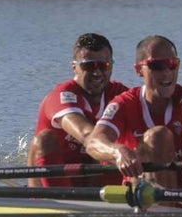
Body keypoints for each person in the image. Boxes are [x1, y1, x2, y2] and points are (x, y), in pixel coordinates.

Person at [85, 35, 182, 188]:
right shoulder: (124, 103)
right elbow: (94, 142)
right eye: (157, 66)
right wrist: (118, 151)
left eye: (172, 64)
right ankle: (162, 208)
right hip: (143, 190)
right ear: (139, 70)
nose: (166, 72)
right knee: (158, 136)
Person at [27, 33, 128, 187]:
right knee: (44, 139)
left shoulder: (119, 93)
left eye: (104, 65)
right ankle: (47, 201)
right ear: (74, 67)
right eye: (89, 65)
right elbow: (88, 136)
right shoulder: (62, 97)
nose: (97, 72)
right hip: (55, 177)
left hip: (92, 176)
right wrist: (119, 152)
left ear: (112, 65)